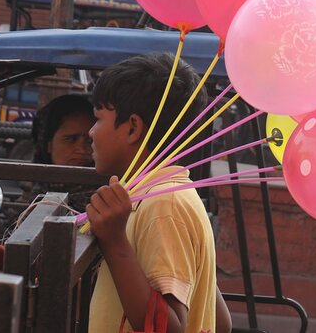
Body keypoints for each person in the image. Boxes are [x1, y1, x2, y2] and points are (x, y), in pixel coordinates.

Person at [85, 52, 229, 333]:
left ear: (133, 128)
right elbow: (220, 322)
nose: (90, 132)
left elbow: (169, 328)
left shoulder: (164, 204)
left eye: (98, 119)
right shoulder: (158, 195)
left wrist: (115, 243)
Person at [0, 94, 96, 269]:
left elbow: (52, 264)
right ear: (48, 144)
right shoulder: (41, 192)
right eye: (71, 139)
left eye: (89, 140)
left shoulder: (99, 200)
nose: (82, 149)